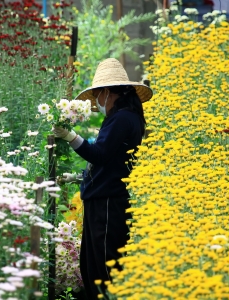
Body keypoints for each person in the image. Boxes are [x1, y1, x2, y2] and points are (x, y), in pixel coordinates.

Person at [52, 58, 153, 299]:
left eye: (98, 94)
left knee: (104, 268)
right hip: (105, 199)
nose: (97, 101)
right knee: (94, 264)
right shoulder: (126, 117)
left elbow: (100, 155)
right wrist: (80, 176)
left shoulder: (122, 119)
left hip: (108, 202)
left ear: (107, 92)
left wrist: (71, 137)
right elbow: (113, 161)